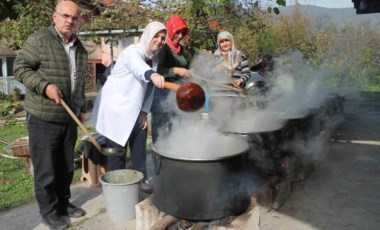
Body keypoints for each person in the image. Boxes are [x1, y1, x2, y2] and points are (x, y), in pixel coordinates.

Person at [13, 1, 87, 229]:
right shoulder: (39, 40)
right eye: (65, 15)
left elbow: (80, 83)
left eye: (74, 18)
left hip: (69, 117)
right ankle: (49, 211)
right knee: (46, 170)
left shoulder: (80, 49)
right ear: (54, 17)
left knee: (66, 167)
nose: (69, 21)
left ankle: (64, 204)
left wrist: (81, 107)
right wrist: (44, 86)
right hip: (43, 117)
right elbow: (19, 68)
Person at [91, 21, 167, 193]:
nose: (159, 40)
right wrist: (152, 74)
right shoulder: (132, 52)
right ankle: (118, 188)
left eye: (163, 38)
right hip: (116, 110)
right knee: (117, 152)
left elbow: (149, 89)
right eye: (156, 36)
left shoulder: (153, 59)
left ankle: (140, 180)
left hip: (135, 109)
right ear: (147, 35)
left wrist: (144, 111)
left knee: (139, 145)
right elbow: (137, 67)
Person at [151, 15, 192, 144]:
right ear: (171, 30)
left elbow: (191, 64)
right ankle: (160, 157)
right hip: (162, 96)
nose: (180, 36)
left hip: (179, 96)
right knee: (162, 130)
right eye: (177, 32)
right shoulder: (163, 49)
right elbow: (155, 71)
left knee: (178, 128)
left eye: (182, 33)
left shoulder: (182, 50)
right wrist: (175, 70)